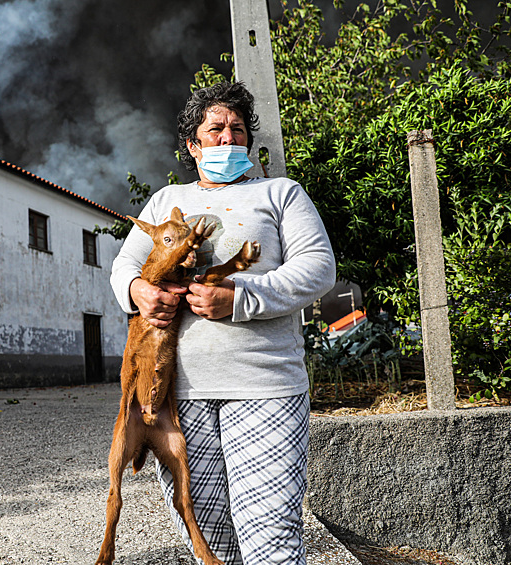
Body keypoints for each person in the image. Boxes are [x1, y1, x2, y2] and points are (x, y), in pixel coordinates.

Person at [109, 80, 335, 565]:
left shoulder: (281, 193)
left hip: (265, 388)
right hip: (177, 398)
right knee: (208, 540)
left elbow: (317, 267)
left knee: (270, 537)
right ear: (192, 145)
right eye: (215, 130)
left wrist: (241, 298)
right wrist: (139, 292)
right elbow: (124, 268)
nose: (228, 139)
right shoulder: (165, 199)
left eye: (237, 130)